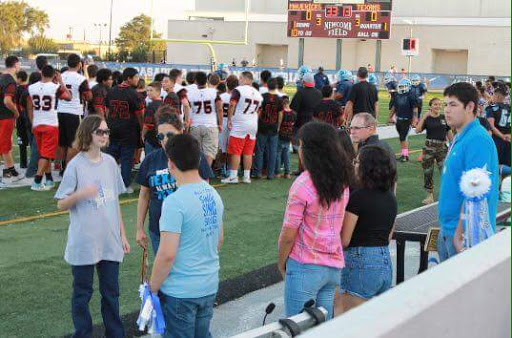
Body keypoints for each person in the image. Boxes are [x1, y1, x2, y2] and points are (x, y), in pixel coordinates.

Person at [55, 115, 130, 338]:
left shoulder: (110, 163)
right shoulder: (75, 165)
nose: (104, 136)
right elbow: (61, 204)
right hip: (84, 242)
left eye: (106, 132)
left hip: (109, 241)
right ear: (88, 134)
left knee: (111, 293)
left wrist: (122, 235)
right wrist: (80, 194)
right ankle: (83, 334)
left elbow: (114, 203)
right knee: (82, 294)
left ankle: (115, 334)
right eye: (100, 132)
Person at [149, 134, 224, 337]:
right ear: (199, 159)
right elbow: (218, 240)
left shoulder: (174, 202)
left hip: (181, 292)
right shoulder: (213, 194)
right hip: (208, 284)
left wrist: (152, 289)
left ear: (170, 163)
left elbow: (166, 255)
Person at [278, 122, 352, 320]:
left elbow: (288, 232)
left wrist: (281, 262)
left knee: (298, 326)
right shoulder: (343, 181)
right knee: (324, 327)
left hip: (306, 265)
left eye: (301, 146)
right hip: (333, 265)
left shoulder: (303, 183)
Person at [136, 107, 214, 254]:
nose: (165, 140)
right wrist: (139, 228)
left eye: (170, 135)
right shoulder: (150, 160)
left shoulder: (196, 157)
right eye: (160, 136)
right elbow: (144, 195)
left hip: (189, 230)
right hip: (159, 231)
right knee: (166, 275)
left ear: (181, 132)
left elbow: (205, 194)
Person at [438, 82, 499, 261]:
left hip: (466, 237)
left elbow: (475, 192)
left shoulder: (477, 140)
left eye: (453, 105)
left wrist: (460, 234)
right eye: (446, 105)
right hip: (448, 230)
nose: (447, 110)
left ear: (470, 107)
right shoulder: (460, 136)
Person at [336, 145, 397, 315]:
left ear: (366, 168)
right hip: (385, 261)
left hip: (360, 261)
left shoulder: (358, 197)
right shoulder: (391, 197)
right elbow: (389, 235)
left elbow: (345, 240)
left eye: (357, 162)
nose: (354, 166)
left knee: (348, 318)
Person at [27, 65, 72, 191]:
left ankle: (49, 179)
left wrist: (32, 122)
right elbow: (68, 97)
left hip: (37, 123)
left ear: (41, 73)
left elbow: (29, 107)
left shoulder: (31, 87)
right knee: (46, 155)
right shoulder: (55, 87)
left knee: (43, 153)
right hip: (50, 123)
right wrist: (61, 81)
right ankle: (37, 181)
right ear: (53, 75)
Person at [105, 67, 145, 193]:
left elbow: (107, 110)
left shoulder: (112, 91)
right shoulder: (133, 94)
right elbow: (140, 114)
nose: (137, 79)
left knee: (111, 157)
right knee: (126, 158)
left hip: (113, 127)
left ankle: (107, 183)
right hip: (128, 129)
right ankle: (125, 185)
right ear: (128, 78)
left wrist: (110, 123)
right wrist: (142, 129)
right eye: (136, 77)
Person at [222, 71, 263, 184]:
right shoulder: (258, 93)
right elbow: (259, 111)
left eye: (240, 78)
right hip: (253, 123)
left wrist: (229, 119)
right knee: (248, 152)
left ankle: (233, 176)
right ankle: (246, 177)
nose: (239, 81)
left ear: (243, 78)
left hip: (240, 123)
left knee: (235, 151)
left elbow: (232, 104)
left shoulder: (239, 90)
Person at [57, 54, 92, 174]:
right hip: (74, 111)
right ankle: (68, 169)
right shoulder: (80, 79)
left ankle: (61, 166)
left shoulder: (61, 76)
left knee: (62, 142)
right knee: (74, 142)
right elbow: (88, 96)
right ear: (79, 64)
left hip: (60, 110)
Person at [415, 98, 452, 204]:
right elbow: (417, 130)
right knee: (428, 172)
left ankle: (447, 194)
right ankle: (430, 196)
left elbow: (449, 133)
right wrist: (424, 117)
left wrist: (453, 146)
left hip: (442, 149)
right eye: (435, 104)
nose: (438, 106)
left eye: (439, 104)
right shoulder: (427, 118)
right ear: (430, 106)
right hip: (429, 148)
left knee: (445, 171)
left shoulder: (444, 118)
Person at [188, 71, 223, 166]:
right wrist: (220, 123)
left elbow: (187, 109)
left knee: (196, 152)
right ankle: (205, 175)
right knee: (210, 152)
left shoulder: (190, 93)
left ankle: (198, 174)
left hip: (195, 125)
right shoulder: (214, 92)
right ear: (207, 80)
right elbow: (220, 109)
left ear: (195, 81)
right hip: (210, 124)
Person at [290, 72, 322, 174]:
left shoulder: (300, 93)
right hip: (316, 123)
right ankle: (313, 168)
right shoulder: (319, 93)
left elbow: (293, 109)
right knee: (314, 147)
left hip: (302, 124)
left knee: (302, 147)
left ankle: (302, 169)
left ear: (303, 82)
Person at [253, 78, 283, 180]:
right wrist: (278, 126)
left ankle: (258, 173)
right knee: (272, 151)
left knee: (260, 150)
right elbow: (280, 114)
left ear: (267, 86)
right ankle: (270, 174)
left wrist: (256, 124)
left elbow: (259, 112)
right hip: (273, 127)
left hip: (263, 126)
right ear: (276, 86)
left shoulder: (263, 97)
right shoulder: (279, 99)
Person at [0, 56, 21, 186]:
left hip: (1, 115)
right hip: (5, 116)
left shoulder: (2, 77)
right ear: (15, 65)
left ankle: (11, 170)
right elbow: (7, 101)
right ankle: (7, 173)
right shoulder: (9, 81)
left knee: (6, 143)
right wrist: (16, 112)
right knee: (5, 145)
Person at [389, 78, 418, 162]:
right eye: (400, 86)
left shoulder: (411, 95)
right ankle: (405, 155)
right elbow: (394, 107)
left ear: (408, 86)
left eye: (403, 86)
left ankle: (405, 156)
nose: (401, 88)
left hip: (407, 119)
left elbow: (415, 109)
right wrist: (390, 117)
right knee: (402, 138)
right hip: (399, 119)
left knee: (403, 137)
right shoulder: (397, 95)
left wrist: (414, 120)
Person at [218, 75, 238, 178]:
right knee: (233, 148)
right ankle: (231, 169)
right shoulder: (238, 97)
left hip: (224, 121)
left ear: (227, 84)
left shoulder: (222, 97)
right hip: (234, 122)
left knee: (223, 148)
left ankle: (223, 168)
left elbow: (218, 111)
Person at [486, 86, 511, 168]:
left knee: (494, 166)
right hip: (509, 141)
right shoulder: (509, 108)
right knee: (507, 168)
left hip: (496, 141)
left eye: (493, 94)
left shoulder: (491, 108)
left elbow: (491, 126)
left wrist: (502, 136)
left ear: (497, 96)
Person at [275, 96, 296, 179]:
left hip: (281, 134)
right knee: (286, 154)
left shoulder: (281, 112)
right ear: (288, 103)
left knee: (278, 153)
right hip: (289, 135)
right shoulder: (294, 113)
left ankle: (277, 172)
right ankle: (287, 173)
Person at [142, 81, 164, 156]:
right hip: (162, 137)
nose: (148, 93)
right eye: (147, 90)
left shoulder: (151, 106)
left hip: (151, 138)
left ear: (158, 92)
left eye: (151, 90)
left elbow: (147, 124)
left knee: (150, 161)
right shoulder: (164, 104)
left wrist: (142, 135)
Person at [15, 70, 29, 169]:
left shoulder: (16, 90)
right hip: (30, 118)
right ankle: (34, 163)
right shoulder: (30, 88)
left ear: (19, 79)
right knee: (32, 141)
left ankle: (23, 163)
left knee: (21, 141)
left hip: (20, 118)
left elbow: (15, 105)